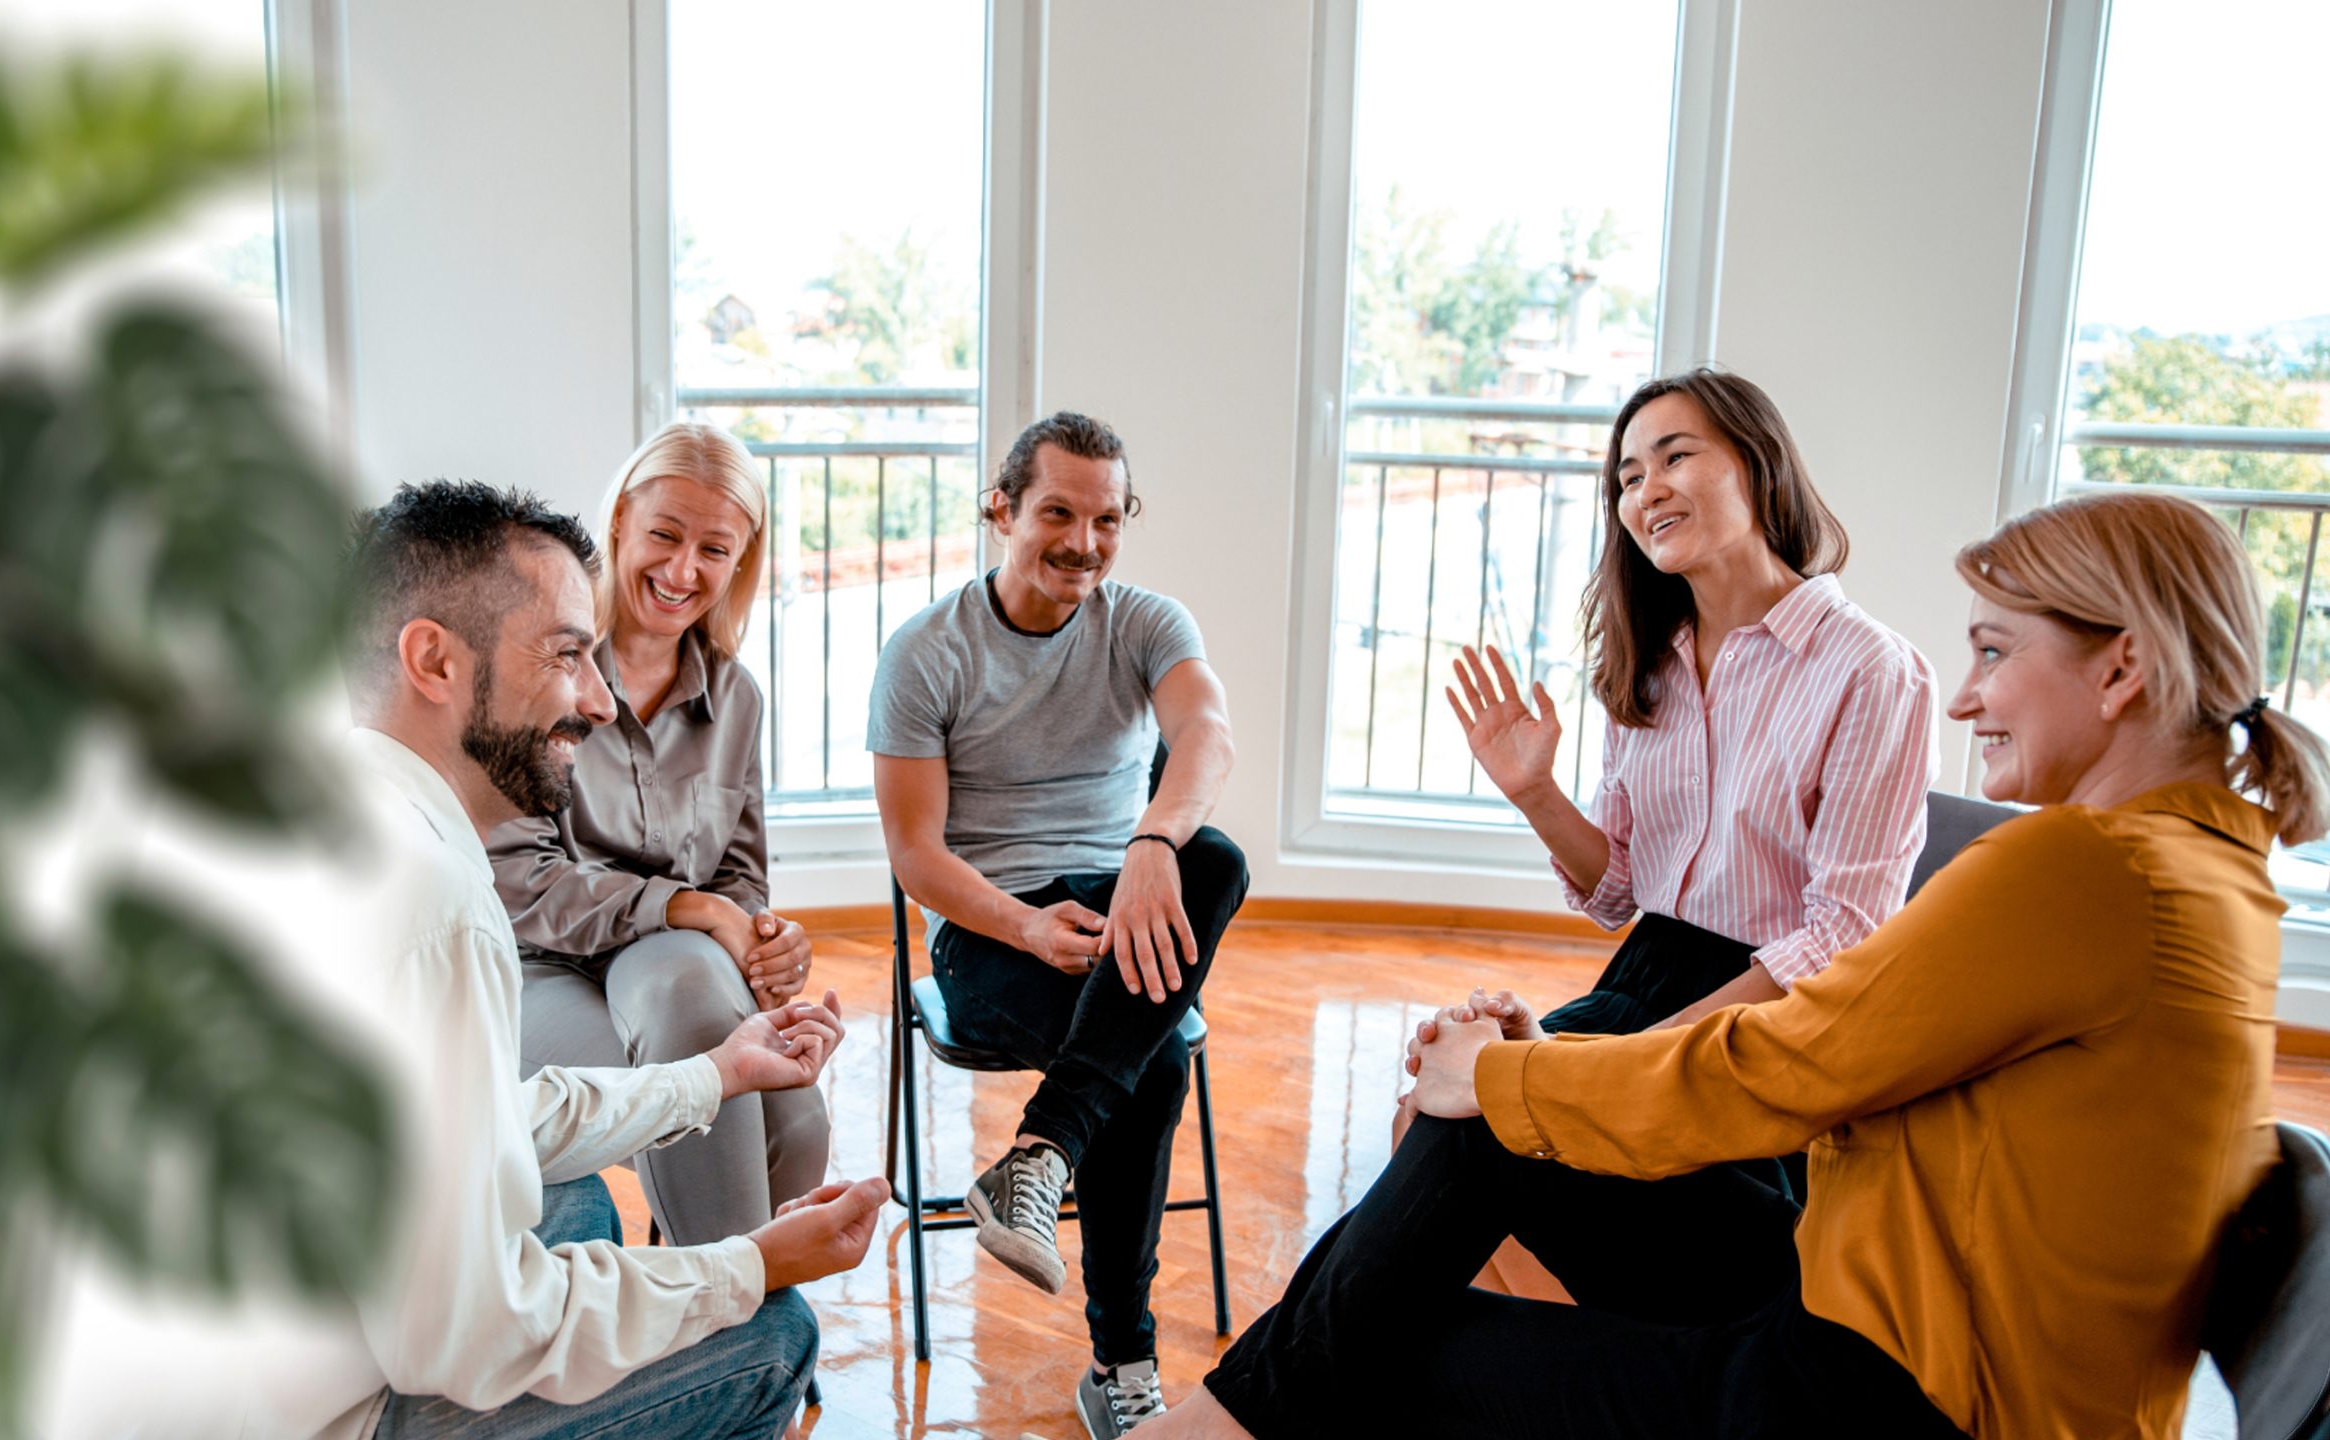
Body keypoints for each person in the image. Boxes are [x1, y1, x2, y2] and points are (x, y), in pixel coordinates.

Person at [1142, 488, 2327, 1440]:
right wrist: (1533, 1073)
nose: (1965, 698)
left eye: (1993, 650)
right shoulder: (2201, 869)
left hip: (1900, 1394)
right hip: (1879, 1296)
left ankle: (1206, 1426)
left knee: (1377, 1346)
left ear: (2120, 670)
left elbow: (1794, 1062)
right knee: (1466, 1157)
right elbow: (1803, 1038)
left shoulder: (2084, 870)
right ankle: (1214, 1423)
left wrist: (1507, 1079)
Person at [307, 481, 883, 1440]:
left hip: (320, 1301)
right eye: (569, 655)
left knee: (568, 1196)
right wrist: (753, 1267)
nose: (600, 699)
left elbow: (482, 1121)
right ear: (434, 661)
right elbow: (463, 1343)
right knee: (773, 1333)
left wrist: (714, 1074)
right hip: (340, 1411)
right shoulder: (440, 908)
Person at [1401, 370, 1936, 1158]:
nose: (1647, 490)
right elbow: (1618, 892)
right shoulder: (1651, 668)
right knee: (1425, 1116)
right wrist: (1535, 794)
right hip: (1642, 976)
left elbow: (1843, 937)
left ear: (1758, 463)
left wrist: (1615, 1064)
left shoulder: (1871, 668)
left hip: (1767, 1026)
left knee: (1464, 1134)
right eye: (1627, 477)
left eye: (1674, 458)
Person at [870, 412, 1248, 1437]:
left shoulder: (1145, 622)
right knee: (1155, 1061)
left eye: (1107, 518)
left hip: (1125, 899)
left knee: (1214, 856)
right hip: (991, 929)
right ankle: (1120, 1363)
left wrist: (1152, 846)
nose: (1084, 541)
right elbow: (917, 859)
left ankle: (1040, 1153)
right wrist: (1028, 931)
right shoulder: (925, 654)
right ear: (1000, 510)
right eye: (1058, 514)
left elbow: (1206, 735)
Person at [487, 423, 830, 1247]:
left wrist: (762, 939)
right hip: (542, 970)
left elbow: (741, 877)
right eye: (665, 536)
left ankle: (725, 1319)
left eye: (715, 550)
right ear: (618, 527)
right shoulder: (540, 667)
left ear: (740, 563)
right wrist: (695, 913)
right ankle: (727, 1326)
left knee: (800, 1127)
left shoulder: (736, 698)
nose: (683, 572)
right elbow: (521, 882)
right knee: (696, 1024)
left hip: (683, 971)